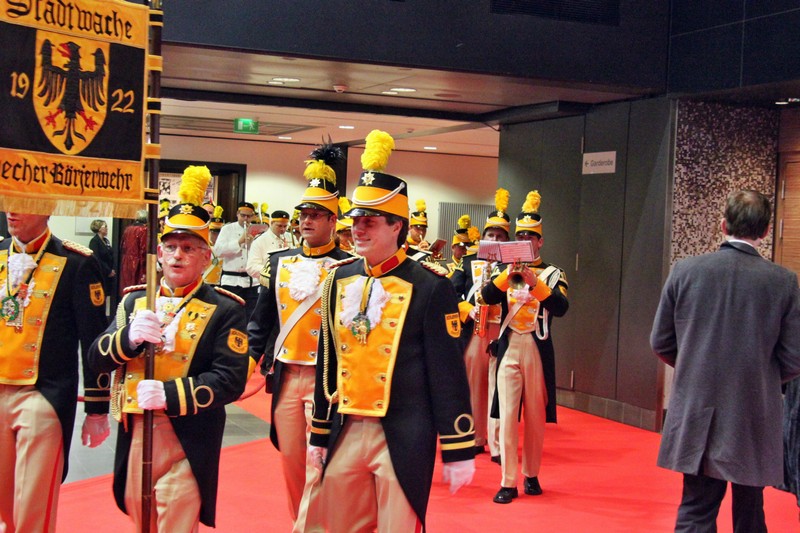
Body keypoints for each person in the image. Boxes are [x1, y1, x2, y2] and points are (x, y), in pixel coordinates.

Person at [309, 130, 476, 532]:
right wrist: (318, 434)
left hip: (403, 433)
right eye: (355, 221)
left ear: (397, 225)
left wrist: (457, 446)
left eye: (370, 222)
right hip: (346, 427)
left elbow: (447, 372)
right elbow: (328, 363)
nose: (358, 230)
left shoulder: (430, 285)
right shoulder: (338, 279)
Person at [87, 165, 251, 532]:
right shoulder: (134, 302)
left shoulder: (225, 309)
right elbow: (96, 358)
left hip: (187, 434)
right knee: (140, 519)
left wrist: (170, 394)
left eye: (189, 248)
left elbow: (230, 379)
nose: (177, 256)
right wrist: (128, 338)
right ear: (159, 253)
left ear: (206, 258)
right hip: (136, 430)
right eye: (172, 247)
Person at [651, 189, 800, 533]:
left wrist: (693, 367)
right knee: (751, 510)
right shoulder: (783, 282)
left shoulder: (685, 271)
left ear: (723, 225)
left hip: (698, 408)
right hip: (755, 411)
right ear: (766, 231)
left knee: (696, 508)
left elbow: (661, 341)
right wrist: (763, 379)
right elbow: (794, 358)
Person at [248, 142, 351, 532]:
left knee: (318, 460)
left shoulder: (350, 267)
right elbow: (261, 321)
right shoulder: (279, 263)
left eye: (316, 215)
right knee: (291, 461)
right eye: (303, 214)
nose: (306, 221)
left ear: (333, 221)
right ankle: (303, 521)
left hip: (328, 380)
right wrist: (246, 361)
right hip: (287, 375)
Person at [0, 212, 110, 533]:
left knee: (33, 507)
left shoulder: (77, 262)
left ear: (45, 207)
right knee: (4, 508)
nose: (12, 211)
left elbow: (93, 339)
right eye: (10, 201)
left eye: (24, 203)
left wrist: (97, 407)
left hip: (43, 393)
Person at [481, 190, 569, 504]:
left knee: (534, 416)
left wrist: (535, 282)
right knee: (507, 415)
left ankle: (531, 474)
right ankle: (508, 481)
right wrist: (507, 276)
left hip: (537, 347)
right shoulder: (504, 270)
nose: (524, 241)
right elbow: (487, 298)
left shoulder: (553, 273)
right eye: (520, 236)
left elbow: (561, 307)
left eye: (530, 236)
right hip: (509, 346)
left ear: (540, 241)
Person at [450, 191, 512, 462]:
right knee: (473, 386)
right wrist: (467, 308)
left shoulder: (513, 266)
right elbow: (450, 293)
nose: (494, 240)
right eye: (491, 235)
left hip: (503, 330)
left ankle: (498, 444)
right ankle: (475, 438)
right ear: (483, 237)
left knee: (500, 388)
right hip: (475, 330)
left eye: (500, 236)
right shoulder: (466, 262)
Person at [214, 201, 260, 319]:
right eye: (243, 215)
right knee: (231, 315)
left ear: (253, 216)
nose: (246, 219)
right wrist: (239, 242)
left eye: (249, 216)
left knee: (250, 316)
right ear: (237, 214)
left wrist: (252, 244)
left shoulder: (257, 230)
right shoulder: (227, 229)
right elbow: (218, 251)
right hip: (231, 281)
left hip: (251, 282)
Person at [247, 209, 291, 278]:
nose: (283, 229)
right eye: (279, 226)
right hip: (268, 280)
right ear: (271, 223)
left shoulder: (291, 237)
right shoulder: (260, 240)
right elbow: (251, 267)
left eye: (285, 226)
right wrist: (275, 270)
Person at [119, 210, 148, 296]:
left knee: (127, 288)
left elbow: (122, 246)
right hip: (138, 264)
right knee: (137, 291)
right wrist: (145, 269)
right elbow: (144, 250)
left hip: (126, 262)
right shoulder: (143, 230)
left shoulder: (127, 229)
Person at [89, 219, 116, 309]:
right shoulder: (94, 241)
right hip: (101, 273)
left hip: (109, 274)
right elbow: (96, 258)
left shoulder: (106, 241)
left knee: (107, 295)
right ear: (99, 229)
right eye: (105, 226)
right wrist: (108, 271)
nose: (107, 228)